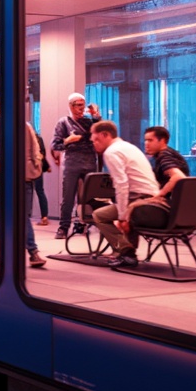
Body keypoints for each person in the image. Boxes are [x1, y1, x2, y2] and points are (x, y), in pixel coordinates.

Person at [0, 99, 45, 267]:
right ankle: (33, 252)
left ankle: (6, 251)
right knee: (23, 216)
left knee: (2, 215)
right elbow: (36, 151)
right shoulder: (27, 126)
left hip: (0, 176)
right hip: (24, 175)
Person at [89, 121, 160, 268]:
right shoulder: (129, 147)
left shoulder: (111, 152)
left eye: (96, 139)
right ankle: (128, 253)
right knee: (121, 207)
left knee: (100, 215)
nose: (94, 143)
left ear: (105, 135)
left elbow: (122, 186)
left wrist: (122, 217)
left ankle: (126, 252)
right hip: (152, 198)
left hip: (139, 199)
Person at [51, 93, 102, 239]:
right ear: (71, 106)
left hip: (90, 163)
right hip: (72, 164)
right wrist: (68, 140)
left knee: (88, 197)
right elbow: (55, 145)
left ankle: (83, 224)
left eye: (83, 105)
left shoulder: (89, 122)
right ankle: (63, 227)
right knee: (68, 197)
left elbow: (100, 134)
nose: (81, 109)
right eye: (78, 105)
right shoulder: (64, 122)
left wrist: (96, 118)